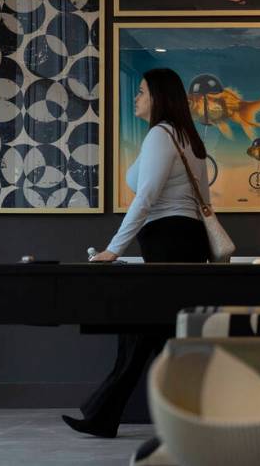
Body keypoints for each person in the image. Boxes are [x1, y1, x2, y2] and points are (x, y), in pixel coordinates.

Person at [61, 68, 211, 438]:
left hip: (168, 239)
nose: (136, 97)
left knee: (140, 329)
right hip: (183, 240)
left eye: (141, 91)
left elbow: (144, 200)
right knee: (158, 335)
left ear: (159, 97)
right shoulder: (186, 136)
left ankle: (104, 415)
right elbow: (203, 201)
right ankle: (117, 415)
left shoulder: (162, 136)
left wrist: (114, 248)